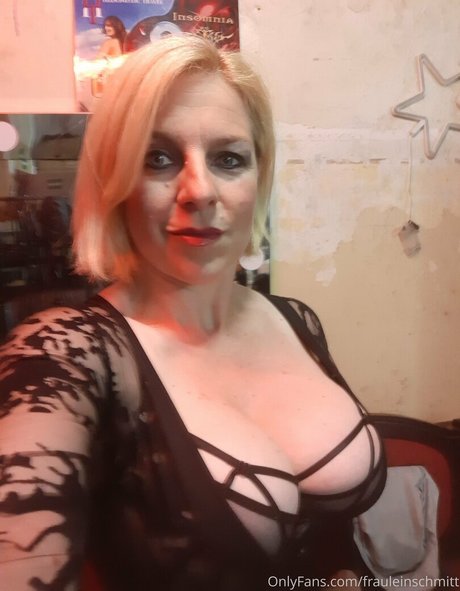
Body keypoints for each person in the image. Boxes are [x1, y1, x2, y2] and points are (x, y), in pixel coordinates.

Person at [0, 35, 386, 590]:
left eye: (229, 159)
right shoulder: (64, 354)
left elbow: (331, 538)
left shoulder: (296, 320)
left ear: (259, 177)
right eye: (158, 158)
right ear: (114, 182)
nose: (199, 191)